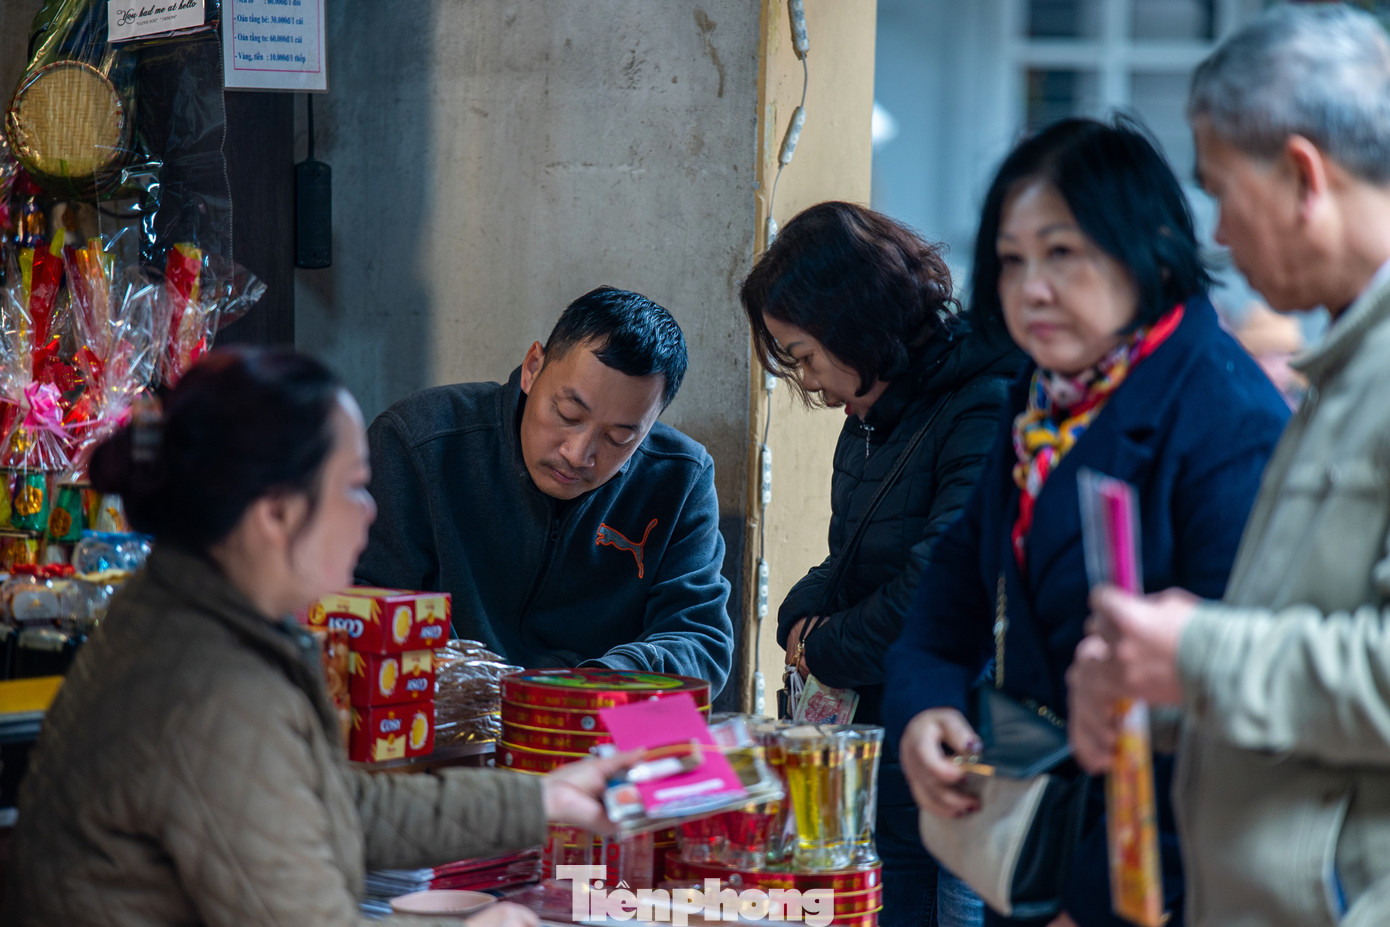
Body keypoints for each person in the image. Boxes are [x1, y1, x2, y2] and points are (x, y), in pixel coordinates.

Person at [3, 348, 633, 927]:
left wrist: (543, 797)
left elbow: (331, 805)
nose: (370, 512)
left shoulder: (198, 608)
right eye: (353, 487)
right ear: (276, 513)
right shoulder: (213, 691)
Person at [883, 117, 1290, 927]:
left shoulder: (1224, 415)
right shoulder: (1037, 404)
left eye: (1062, 253)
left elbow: (1232, 700)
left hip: (1168, 878)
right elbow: (951, 592)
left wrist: (1111, 897)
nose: (1032, 286)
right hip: (1036, 843)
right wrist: (926, 705)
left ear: (1149, 245)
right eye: (1012, 258)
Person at [1069, 6, 1390, 926]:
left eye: (1221, 189)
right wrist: (1161, 680)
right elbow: (1315, 646)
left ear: (1301, 175)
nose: (1217, 232)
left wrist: (1199, 655)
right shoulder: (1341, 366)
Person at [741, 201, 1021, 927]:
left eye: (803, 355)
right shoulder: (871, 419)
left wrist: (820, 644)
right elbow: (850, 561)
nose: (809, 382)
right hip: (879, 767)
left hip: (950, 762)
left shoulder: (982, 406)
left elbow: (939, 591)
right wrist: (796, 617)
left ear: (854, 321)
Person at [356, 287, 734, 694]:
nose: (577, 454)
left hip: (594, 726)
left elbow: (700, 641)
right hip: (443, 725)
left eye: (619, 438)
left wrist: (599, 684)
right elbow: (368, 612)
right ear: (533, 367)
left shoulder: (680, 479)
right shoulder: (419, 442)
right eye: (568, 414)